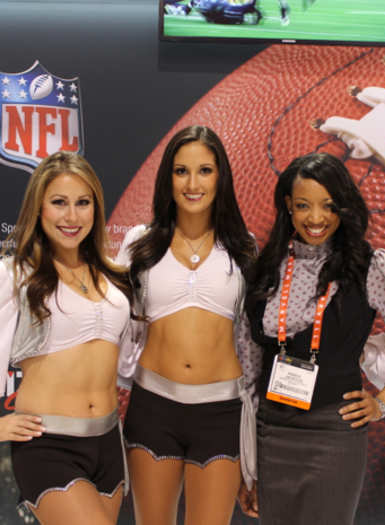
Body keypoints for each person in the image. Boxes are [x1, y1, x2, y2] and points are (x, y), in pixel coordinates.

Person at [0, 151, 133, 524]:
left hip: (107, 442)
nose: (72, 216)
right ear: (38, 209)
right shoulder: (14, 276)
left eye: (82, 203)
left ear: (95, 209)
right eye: (59, 203)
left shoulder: (112, 276)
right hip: (50, 447)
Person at [236, 152, 385, 524]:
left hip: (333, 432)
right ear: (288, 205)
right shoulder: (264, 269)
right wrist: (248, 461)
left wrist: (383, 400)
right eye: (303, 206)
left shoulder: (370, 266)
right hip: (272, 432)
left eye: (328, 206)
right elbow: (249, 368)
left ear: (344, 207)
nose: (315, 218)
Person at [115, 125, 257, 525]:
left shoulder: (243, 247)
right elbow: (114, 323)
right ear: (168, 178)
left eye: (205, 171)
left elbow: (252, 341)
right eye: (181, 171)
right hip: (153, 407)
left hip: (221, 412)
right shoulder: (139, 244)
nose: (193, 183)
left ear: (221, 177)